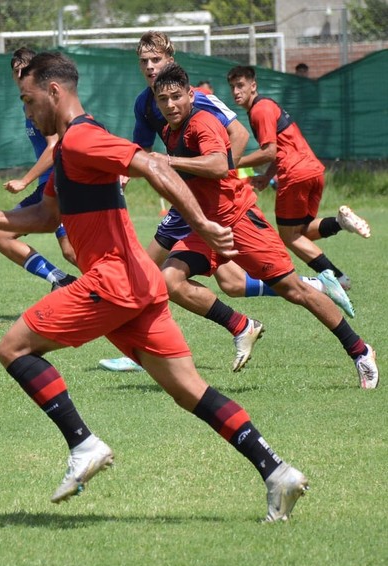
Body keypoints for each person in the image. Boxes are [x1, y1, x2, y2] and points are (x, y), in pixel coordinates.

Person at [0, 51, 310, 521]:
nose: (27, 112)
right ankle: (277, 472)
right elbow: (47, 215)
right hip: (138, 283)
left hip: (112, 281)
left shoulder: (82, 138)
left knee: (13, 348)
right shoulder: (69, 146)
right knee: (189, 391)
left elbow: (152, 165)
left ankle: (83, 444)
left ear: (53, 91)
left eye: (28, 100)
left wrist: (201, 223)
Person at [99, 31, 350, 374]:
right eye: (144, 61)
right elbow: (142, 149)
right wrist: (124, 174)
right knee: (229, 283)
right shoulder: (146, 103)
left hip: (207, 202)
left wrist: (217, 174)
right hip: (191, 200)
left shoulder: (196, 100)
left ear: (171, 60)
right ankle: (313, 286)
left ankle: (147, 351)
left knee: (145, 272)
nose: (150, 66)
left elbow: (239, 135)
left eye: (156, 59)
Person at [152, 63, 378, 390]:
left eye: (176, 96)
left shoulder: (202, 123)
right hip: (207, 229)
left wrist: (168, 161)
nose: (170, 104)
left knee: (294, 291)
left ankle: (360, 351)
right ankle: (241, 326)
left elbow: (219, 165)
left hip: (240, 222)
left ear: (190, 94)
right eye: (163, 99)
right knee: (169, 280)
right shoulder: (169, 131)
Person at [227, 65, 371, 291]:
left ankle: (338, 278)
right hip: (313, 171)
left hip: (295, 174)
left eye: (241, 85)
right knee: (301, 232)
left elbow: (269, 152)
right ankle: (339, 223)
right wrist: (267, 176)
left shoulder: (259, 110)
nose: (236, 91)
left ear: (253, 85)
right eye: (232, 87)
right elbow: (280, 147)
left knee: (289, 236)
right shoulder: (267, 106)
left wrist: (233, 162)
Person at [0, 47, 77, 291]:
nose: (21, 75)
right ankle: (63, 280)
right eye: (17, 71)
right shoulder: (28, 105)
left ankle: (119, 288)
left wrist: (24, 180)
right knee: (4, 237)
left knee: (4, 236)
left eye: (26, 70)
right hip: (49, 187)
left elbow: (54, 146)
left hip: (59, 186)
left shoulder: (44, 104)